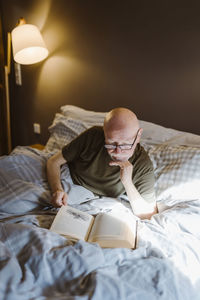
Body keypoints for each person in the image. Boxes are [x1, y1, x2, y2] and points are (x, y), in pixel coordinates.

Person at [46, 107, 157, 219]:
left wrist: (127, 182)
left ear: (138, 136)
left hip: (96, 203)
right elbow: (53, 162)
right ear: (104, 133)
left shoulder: (143, 164)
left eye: (126, 144)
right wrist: (57, 189)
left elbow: (147, 214)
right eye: (111, 143)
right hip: (69, 181)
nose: (117, 151)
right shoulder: (92, 136)